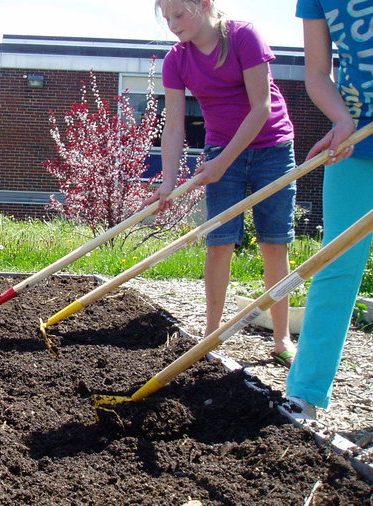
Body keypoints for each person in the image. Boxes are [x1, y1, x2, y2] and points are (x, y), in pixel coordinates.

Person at [149, 0, 298, 366]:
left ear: (204, 4)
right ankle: (211, 335)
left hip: (272, 149)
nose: (172, 24)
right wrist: (168, 183)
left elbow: (261, 107)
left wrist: (221, 163)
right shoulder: (177, 60)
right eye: (166, 18)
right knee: (219, 242)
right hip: (220, 152)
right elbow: (173, 127)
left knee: (273, 244)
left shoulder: (243, 37)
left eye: (179, 14)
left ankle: (282, 339)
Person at [285, 1, 373, 420]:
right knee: (334, 263)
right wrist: (342, 119)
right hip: (357, 142)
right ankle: (304, 393)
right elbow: (318, 73)